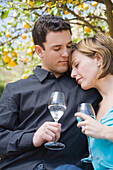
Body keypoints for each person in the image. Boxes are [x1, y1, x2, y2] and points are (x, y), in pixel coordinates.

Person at [0, 15, 101, 170]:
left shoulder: (87, 87)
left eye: (69, 46)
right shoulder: (15, 90)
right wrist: (32, 138)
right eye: (57, 48)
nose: (66, 54)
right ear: (39, 51)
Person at [71, 32, 113, 169]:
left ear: (98, 59)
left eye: (76, 65)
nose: (72, 74)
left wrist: (105, 131)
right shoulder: (97, 104)